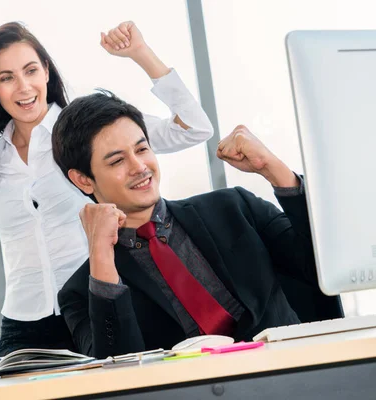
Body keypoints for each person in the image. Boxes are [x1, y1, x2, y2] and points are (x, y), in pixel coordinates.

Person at [0, 21, 213, 356]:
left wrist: (141, 54)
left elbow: (194, 129)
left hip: (94, 306)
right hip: (24, 324)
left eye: (31, 71)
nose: (23, 87)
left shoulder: (89, 130)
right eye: (7, 78)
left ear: (46, 72)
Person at [52, 92, 322, 358]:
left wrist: (274, 170)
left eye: (142, 149)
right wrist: (100, 253)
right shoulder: (81, 293)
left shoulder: (234, 208)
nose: (139, 166)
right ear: (83, 180)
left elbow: (319, 266)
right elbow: (118, 372)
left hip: (289, 376)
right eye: (117, 160)